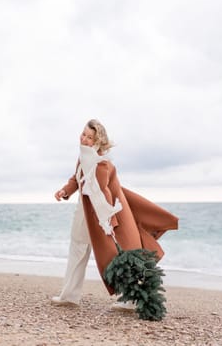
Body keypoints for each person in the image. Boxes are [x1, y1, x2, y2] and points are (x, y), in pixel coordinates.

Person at [51, 119, 178, 310]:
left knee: (116, 256)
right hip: (83, 213)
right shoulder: (83, 158)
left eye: (89, 137)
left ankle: (131, 299)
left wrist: (109, 219)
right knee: (77, 251)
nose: (83, 139)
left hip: (102, 217)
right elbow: (76, 179)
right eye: (83, 134)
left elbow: (105, 193)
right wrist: (65, 191)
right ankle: (69, 295)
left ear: (97, 141)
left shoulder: (103, 164)